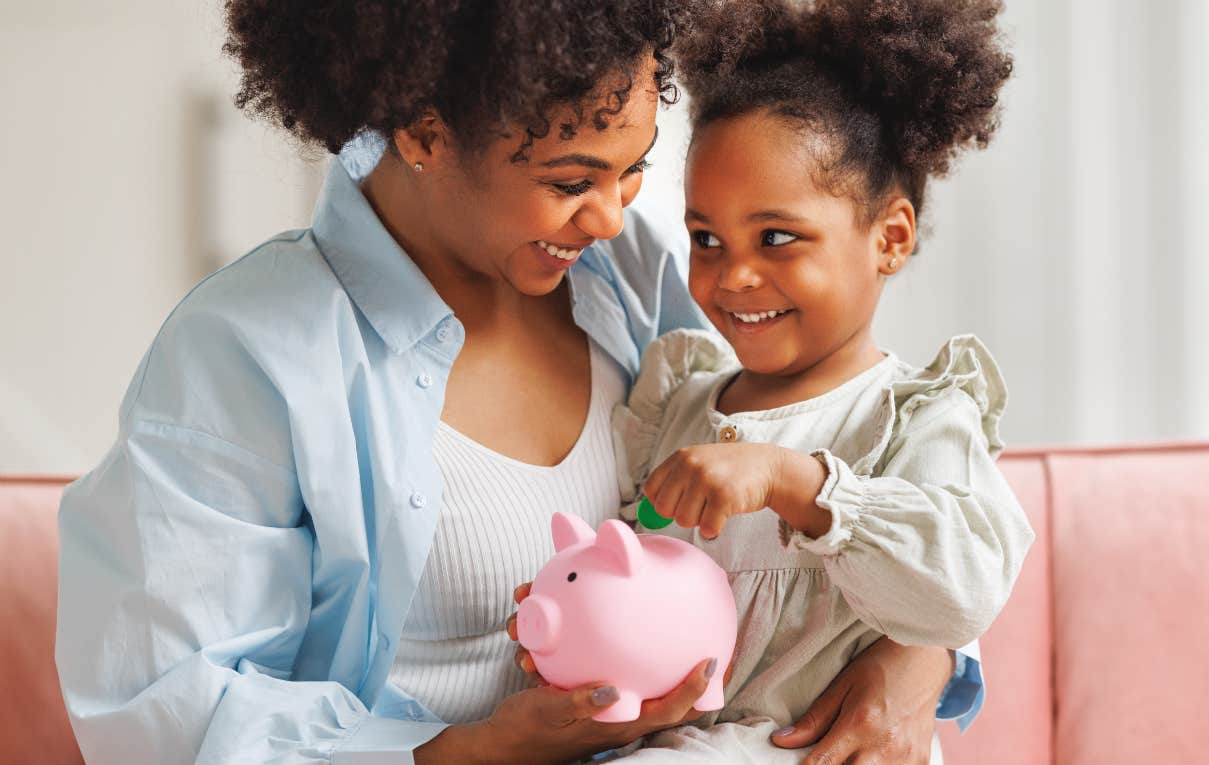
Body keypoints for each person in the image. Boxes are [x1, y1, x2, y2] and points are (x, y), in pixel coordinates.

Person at [55, 2, 991, 764]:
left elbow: (856, 449)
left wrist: (922, 650)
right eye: (570, 177)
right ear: (423, 134)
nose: (613, 214)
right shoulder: (245, 353)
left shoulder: (631, 280)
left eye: (634, 170)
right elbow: (166, 720)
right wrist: (474, 750)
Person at [523, 0, 1033, 761]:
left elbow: (960, 594)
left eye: (777, 237)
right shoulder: (679, 396)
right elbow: (631, 566)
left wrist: (799, 485)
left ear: (889, 238)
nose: (734, 275)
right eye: (706, 238)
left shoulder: (915, 417)